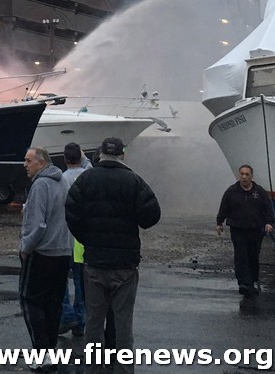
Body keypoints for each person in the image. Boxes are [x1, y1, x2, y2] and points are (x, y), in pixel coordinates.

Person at [66, 137, 161, 374]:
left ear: (100, 155)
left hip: (95, 262)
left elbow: (71, 213)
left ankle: (92, 369)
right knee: (123, 323)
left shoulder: (86, 179)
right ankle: (123, 370)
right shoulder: (134, 181)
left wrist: (87, 239)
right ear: (122, 155)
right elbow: (151, 216)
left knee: (94, 323)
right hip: (125, 265)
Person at [19, 146, 72, 365]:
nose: (25, 165)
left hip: (42, 252)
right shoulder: (63, 182)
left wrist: (25, 246)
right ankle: (51, 350)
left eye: (28, 161)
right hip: (63, 251)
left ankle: (41, 354)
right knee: (53, 304)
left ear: (41, 163)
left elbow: (38, 224)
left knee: (30, 301)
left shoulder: (40, 185)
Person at [216, 164, 274, 297]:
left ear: (251, 176)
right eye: (242, 174)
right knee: (241, 255)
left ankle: (252, 281)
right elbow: (224, 208)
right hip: (238, 229)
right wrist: (219, 223)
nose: (244, 177)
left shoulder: (260, 192)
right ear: (239, 175)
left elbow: (267, 209)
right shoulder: (231, 192)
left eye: (247, 174)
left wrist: (269, 223)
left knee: (253, 256)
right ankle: (243, 283)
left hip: (255, 229)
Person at [58, 143, 89, 337]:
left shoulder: (62, 179)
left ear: (64, 158)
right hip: (84, 239)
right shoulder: (89, 176)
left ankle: (67, 315)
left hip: (65, 238)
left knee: (60, 280)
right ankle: (81, 320)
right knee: (81, 283)